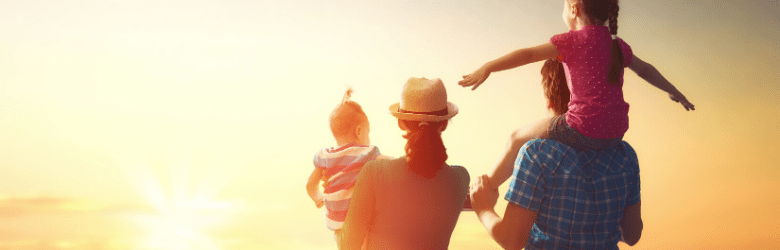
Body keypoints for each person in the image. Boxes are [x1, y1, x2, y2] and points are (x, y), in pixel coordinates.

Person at [459, 0, 695, 191]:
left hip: (582, 127)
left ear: (574, 7)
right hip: (615, 133)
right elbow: (646, 70)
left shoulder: (570, 41)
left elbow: (528, 54)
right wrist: (673, 91)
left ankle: (485, 189)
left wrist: (488, 66)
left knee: (516, 138)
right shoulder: (617, 45)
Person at [338, 77, 470, 250]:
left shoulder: (373, 173)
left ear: (400, 123)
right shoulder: (460, 178)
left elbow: (347, 245)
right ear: (444, 124)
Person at [306, 89, 390, 247]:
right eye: (367, 133)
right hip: (359, 222)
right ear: (359, 131)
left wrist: (318, 198)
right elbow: (386, 161)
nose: (368, 138)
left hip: (336, 223)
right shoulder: (365, 153)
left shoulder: (324, 156)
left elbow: (310, 184)